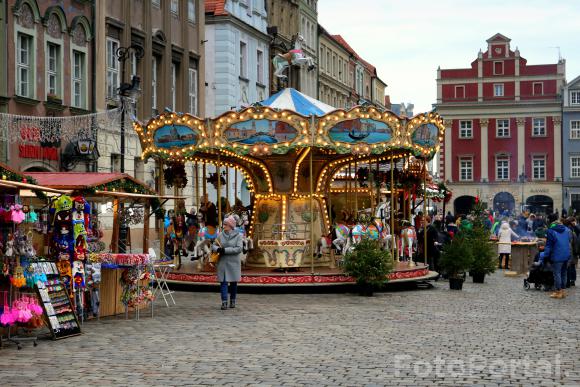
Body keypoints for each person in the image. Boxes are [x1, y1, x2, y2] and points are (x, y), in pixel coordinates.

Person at [539, 213, 573, 299]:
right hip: (566, 254)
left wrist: (545, 255)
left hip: (557, 255)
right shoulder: (566, 229)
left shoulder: (551, 231)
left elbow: (549, 245)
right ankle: (563, 291)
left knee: (557, 273)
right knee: (564, 273)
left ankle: (558, 291)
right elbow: (569, 241)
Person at [212, 215, 243, 310]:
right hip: (223, 262)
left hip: (234, 262)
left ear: (230, 225)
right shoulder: (221, 235)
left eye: (225, 224)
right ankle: (224, 302)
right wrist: (217, 249)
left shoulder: (238, 236)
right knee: (223, 282)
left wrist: (225, 250)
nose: (223, 226)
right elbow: (214, 245)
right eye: (223, 224)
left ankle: (233, 300)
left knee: (233, 283)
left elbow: (239, 248)